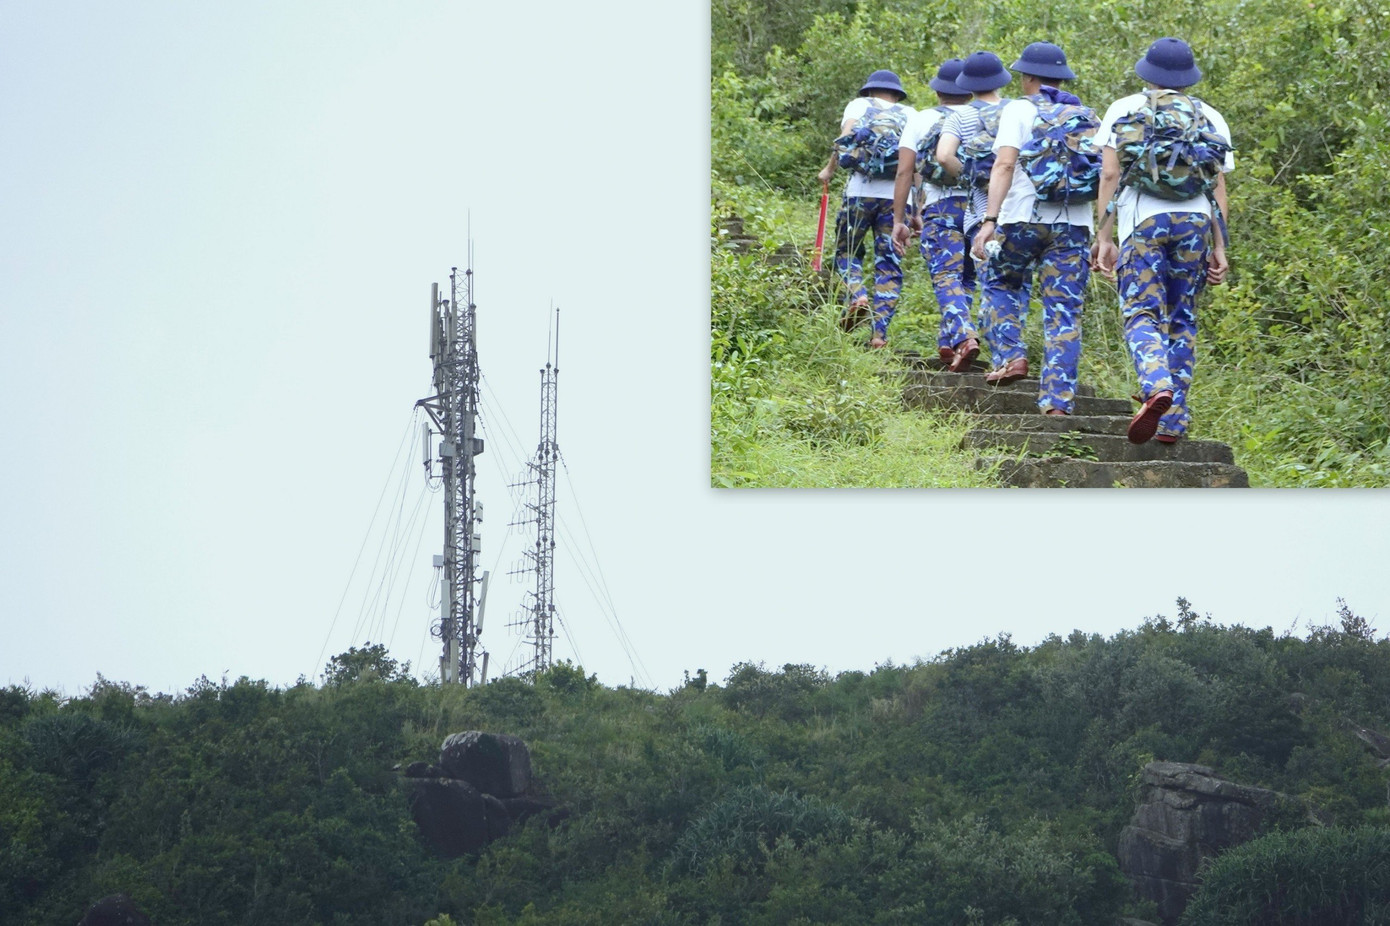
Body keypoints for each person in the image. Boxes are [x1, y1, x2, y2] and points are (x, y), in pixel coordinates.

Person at [1091, 37, 1232, 444]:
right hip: (1196, 222)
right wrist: (1219, 246)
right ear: (1188, 78)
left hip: (1143, 221)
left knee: (1141, 312)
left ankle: (1156, 385)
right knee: (1183, 318)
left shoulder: (1126, 109)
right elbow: (1217, 186)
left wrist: (1103, 235)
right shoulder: (1211, 117)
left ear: (1146, 73)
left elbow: (1109, 175)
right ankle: (1173, 423)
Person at [969, 42, 1094, 416]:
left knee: (999, 282)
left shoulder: (1019, 109)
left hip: (1021, 216)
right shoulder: (1084, 113)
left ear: (1027, 78)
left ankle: (1011, 356)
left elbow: (1004, 165)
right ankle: (1057, 403)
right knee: (1065, 311)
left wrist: (989, 220)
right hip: (1074, 223)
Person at [891, 57, 981, 372]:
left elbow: (905, 171)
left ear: (938, 90)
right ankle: (949, 340)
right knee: (967, 276)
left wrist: (901, 218)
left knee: (946, 275)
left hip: (941, 206)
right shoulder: (980, 115)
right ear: (970, 90)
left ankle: (964, 336)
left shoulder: (922, 118)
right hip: (980, 207)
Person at [818, 70, 915, 348]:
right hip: (898, 199)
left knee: (847, 251)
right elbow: (913, 165)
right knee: (889, 263)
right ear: (896, 94)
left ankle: (857, 295)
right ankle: (879, 335)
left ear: (870, 91)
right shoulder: (911, 114)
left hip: (859, 192)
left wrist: (828, 170)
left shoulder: (859, 106)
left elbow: (846, 138)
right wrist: (916, 208)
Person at [934, 52, 1013, 360]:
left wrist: (968, 177)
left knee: (988, 284)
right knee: (1013, 287)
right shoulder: (1019, 110)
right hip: (1021, 215)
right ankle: (1010, 354)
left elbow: (943, 156)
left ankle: (994, 354)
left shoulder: (960, 116)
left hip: (981, 215)